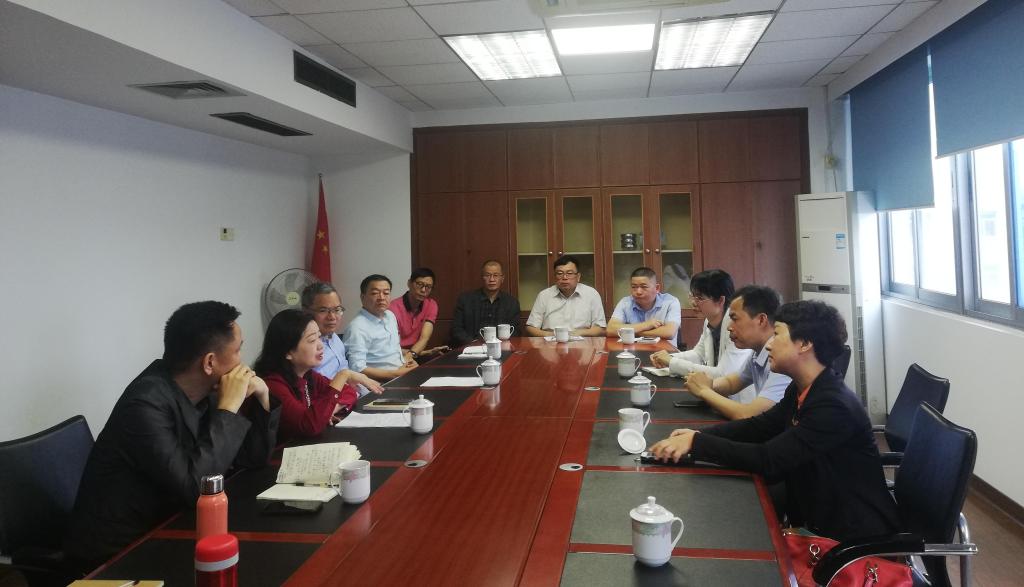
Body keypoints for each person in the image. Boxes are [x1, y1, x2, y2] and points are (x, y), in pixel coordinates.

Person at [649, 300, 900, 541]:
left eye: (777, 334)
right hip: (815, 515)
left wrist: (698, 443)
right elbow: (760, 427)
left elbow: (769, 460)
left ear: (804, 344)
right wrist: (697, 436)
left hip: (847, 535)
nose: (769, 345)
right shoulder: (803, 388)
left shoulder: (833, 406)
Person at [65, 301, 281, 571]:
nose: (242, 362)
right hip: (120, 555)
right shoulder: (145, 404)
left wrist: (263, 397)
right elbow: (195, 489)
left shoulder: (204, 390)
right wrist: (227, 410)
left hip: (174, 528)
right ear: (209, 362)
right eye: (237, 351)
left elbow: (252, 460)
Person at [255, 309, 383, 442]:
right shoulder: (273, 385)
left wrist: (326, 412)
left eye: (319, 337)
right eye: (312, 340)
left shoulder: (307, 375)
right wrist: (343, 375)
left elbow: (349, 392)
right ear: (288, 352)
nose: (321, 345)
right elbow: (309, 425)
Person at [676, 285, 790, 420]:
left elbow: (749, 414)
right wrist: (706, 384)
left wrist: (703, 390)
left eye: (735, 319)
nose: (729, 327)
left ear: (761, 320)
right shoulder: (758, 352)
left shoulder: (782, 360)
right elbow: (731, 383)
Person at [649, 269, 752, 381]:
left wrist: (671, 361)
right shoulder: (709, 320)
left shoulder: (735, 326)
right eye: (692, 296)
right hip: (714, 387)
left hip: (735, 391)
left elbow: (723, 374)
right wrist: (668, 357)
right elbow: (699, 354)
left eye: (700, 298)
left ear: (720, 300)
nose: (693, 302)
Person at [343, 274, 418, 382]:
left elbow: (388, 351)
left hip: (400, 375)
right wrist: (395, 374)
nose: (382, 298)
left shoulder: (390, 316)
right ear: (362, 297)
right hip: (380, 384)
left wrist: (407, 361)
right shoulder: (357, 328)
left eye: (386, 293)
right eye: (375, 293)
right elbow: (357, 369)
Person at [525, 255, 606, 337]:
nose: (564, 277)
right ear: (555, 277)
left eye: (569, 273)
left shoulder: (591, 294)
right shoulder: (544, 295)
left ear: (578, 277)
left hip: (582, 340)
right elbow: (531, 327)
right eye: (560, 273)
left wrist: (578, 333)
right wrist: (551, 335)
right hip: (551, 341)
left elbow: (600, 328)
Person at [450, 259, 521, 347]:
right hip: (471, 348)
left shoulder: (512, 303)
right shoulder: (465, 300)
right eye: (487, 275)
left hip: (501, 348)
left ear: (502, 278)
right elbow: (456, 329)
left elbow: (515, 331)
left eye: (496, 275)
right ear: (482, 277)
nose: (491, 279)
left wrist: (499, 345)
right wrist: (473, 343)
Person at [606, 267, 681, 341]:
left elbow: (669, 333)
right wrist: (645, 325)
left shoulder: (670, 302)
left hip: (663, 349)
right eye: (634, 287)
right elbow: (610, 330)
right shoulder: (625, 303)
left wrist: (633, 332)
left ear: (657, 288)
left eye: (644, 287)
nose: (638, 292)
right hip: (632, 348)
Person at [389, 268, 449, 360]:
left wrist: (415, 355)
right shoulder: (392, 308)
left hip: (414, 353)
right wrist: (409, 358)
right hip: (395, 355)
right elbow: (390, 347)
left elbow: (424, 338)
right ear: (409, 283)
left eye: (428, 287)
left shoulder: (431, 304)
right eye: (420, 284)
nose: (423, 290)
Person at [301, 281, 350, 379]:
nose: (332, 317)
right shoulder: (305, 351)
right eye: (323, 310)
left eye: (337, 310)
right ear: (306, 312)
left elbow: (346, 371)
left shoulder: (334, 337)